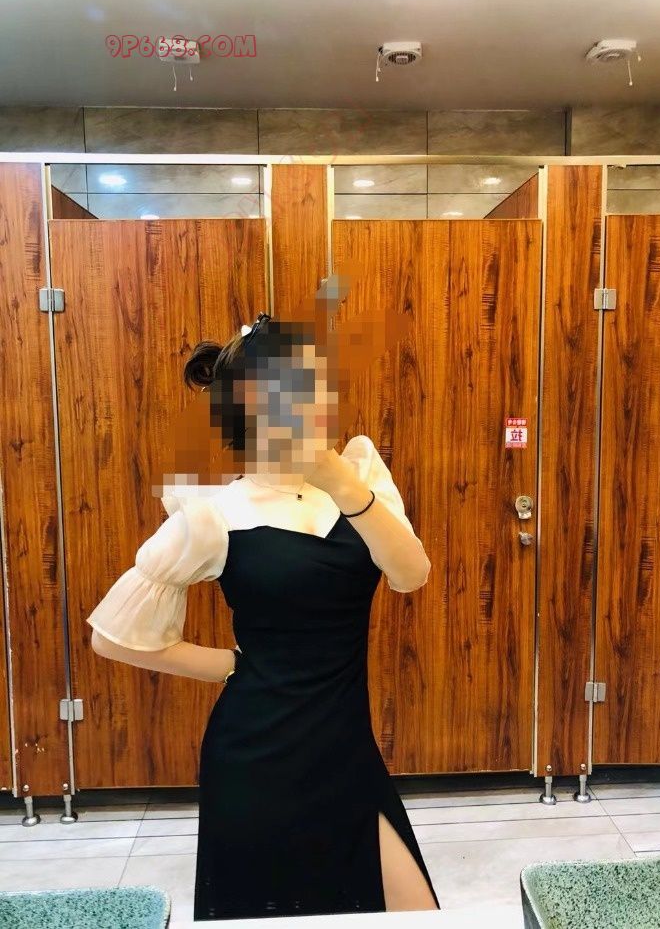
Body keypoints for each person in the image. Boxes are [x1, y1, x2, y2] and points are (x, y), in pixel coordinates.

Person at [87, 308, 441, 920]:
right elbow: (112, 638)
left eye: (320, 383)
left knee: (413, 911)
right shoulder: (213, 514)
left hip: (348, 749)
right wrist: (230, 665)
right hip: (255, 758)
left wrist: (340, 482)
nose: (318, 401)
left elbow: (411, 575)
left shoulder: (359, 478)